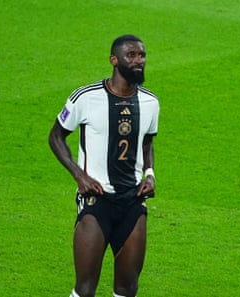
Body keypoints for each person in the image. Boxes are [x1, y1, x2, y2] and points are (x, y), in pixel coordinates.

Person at [48, 34, 160, 297]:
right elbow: (56, 136)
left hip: (133, 201)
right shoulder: (85, 97)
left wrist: (150, 174)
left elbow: (147, 143)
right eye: (131, 55)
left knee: (128, 288)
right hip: (96, 202)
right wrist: (79, 176)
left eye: (141, 55)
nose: (138, 61)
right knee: (85, 289)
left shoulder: (151, 102)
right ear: (114, 60)